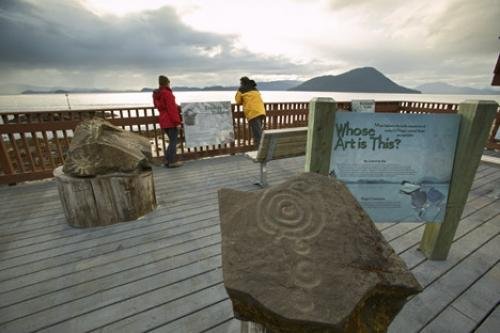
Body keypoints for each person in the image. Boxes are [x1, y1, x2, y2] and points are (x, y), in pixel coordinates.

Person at [153, 75, 183, 168]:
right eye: (169, 83)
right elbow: (171, 109)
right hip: (170, 121)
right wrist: (177, 122)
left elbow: (161, 106)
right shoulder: (167, 93)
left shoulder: (157, 94)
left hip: (163, 120)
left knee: (172, 141)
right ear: (167, 83)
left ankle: (167, 161)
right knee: (174, 141)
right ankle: (171, 162)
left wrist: (176, 105)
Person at [235, 76, 266, 148]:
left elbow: (238, 101)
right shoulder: (255, 89)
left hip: (252, 112)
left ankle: (260, 150)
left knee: (257, 133)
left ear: (242, 82)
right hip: (261, 111)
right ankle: (258, 148)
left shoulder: (241, 89)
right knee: (258, 131)